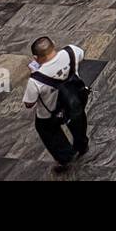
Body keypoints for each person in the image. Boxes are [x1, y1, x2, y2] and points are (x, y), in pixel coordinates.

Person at [23, 37, 89, 171]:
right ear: (54, 45)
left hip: (50, 112)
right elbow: (81, 55)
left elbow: (29, 103)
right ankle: (81, 145)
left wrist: (35, 71)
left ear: (36, 57)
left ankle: (66, 156)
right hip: (74, 99)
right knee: (78, 120)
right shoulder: (72, 52)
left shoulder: (36, 79)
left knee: (46, 130)